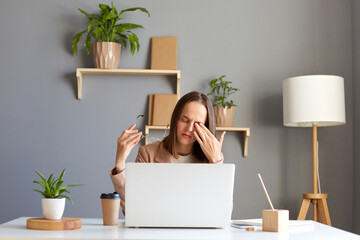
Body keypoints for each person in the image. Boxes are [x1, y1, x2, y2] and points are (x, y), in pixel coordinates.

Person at [109, 91, 226, 214]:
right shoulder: (147, 154)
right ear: (175, 119)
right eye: (184, 120)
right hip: (157, 231)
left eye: (198, 124)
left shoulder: (212, 159)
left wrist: (216, 162)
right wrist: (120, 163)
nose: (189, 128)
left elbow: (223, 211)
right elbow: (131, 210)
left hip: (197, 232)